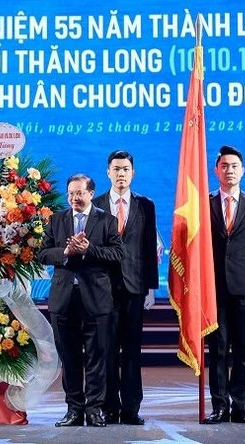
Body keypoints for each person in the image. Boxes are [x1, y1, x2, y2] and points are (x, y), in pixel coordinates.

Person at [38, 174, 124, 428]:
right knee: (70, 358)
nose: (75, 198)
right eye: (71, 193)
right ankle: (74, 410)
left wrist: (89, 250)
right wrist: (64, 252)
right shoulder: (56, 220)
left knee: (97, 358)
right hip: (64, 300)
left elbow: (118, 253)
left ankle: (94, 410)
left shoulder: (107, 220)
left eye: (80, 193)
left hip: (96, 300)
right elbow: (42, 254)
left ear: (91, 193)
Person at [203, 145, 245, 424]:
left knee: (242, 351)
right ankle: (219, 406)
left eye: (234, 166)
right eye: (224, 166)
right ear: (216, 170)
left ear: (243, 171)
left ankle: (241, 406)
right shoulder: (204, 204)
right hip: (213, 289)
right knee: (217, 350)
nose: (229, 171)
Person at [92, 150, 158, 426]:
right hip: (102, 289)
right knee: (106, 350)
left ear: (133, 173)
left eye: (126, 169)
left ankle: (131, 408)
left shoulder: (146, 206)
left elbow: (148, 250)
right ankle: (109, 407)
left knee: (131, 352)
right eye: (116, 169)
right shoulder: (95, 205)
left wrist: (151, 289)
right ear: (108, 172)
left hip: (134, 289)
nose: (121, 174)